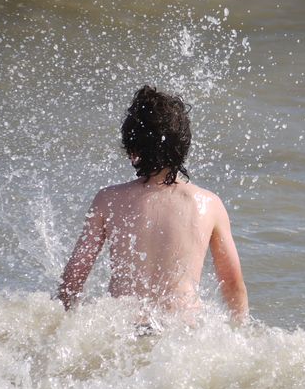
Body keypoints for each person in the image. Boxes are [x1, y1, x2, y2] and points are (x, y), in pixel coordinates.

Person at [57, 85, 249, 324]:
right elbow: (232, 283)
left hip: (125, 328)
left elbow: (73, 278)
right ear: (183, 145)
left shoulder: (108, 199)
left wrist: (63, 328)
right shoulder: (209, 204)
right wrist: (241, 331)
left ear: (133, 149)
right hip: (181, 331)